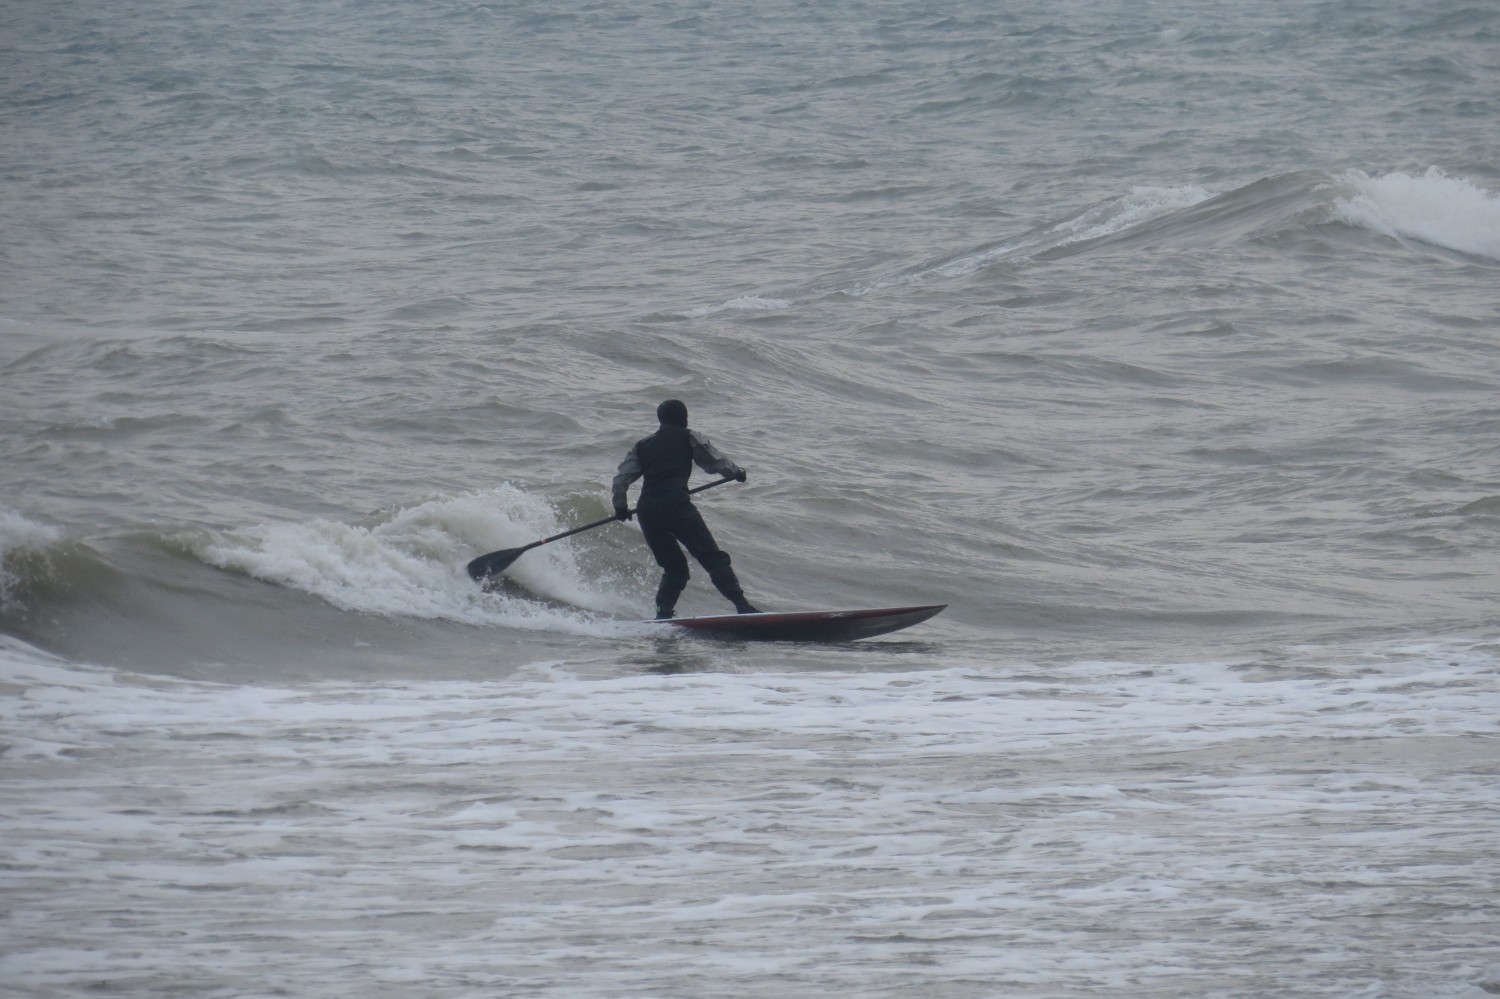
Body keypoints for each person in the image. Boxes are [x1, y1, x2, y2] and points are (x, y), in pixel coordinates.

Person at [612, 399, 760, 619]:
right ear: (682, 417)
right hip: (676, 505)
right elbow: (714, 460)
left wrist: (620, 507)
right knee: (713, 558)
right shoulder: (688, 436)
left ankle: (663, 614)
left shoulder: (641, 446)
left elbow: (621, 479)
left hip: (647, 511)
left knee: (675, 569)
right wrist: (736, 472)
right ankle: (742, 606)